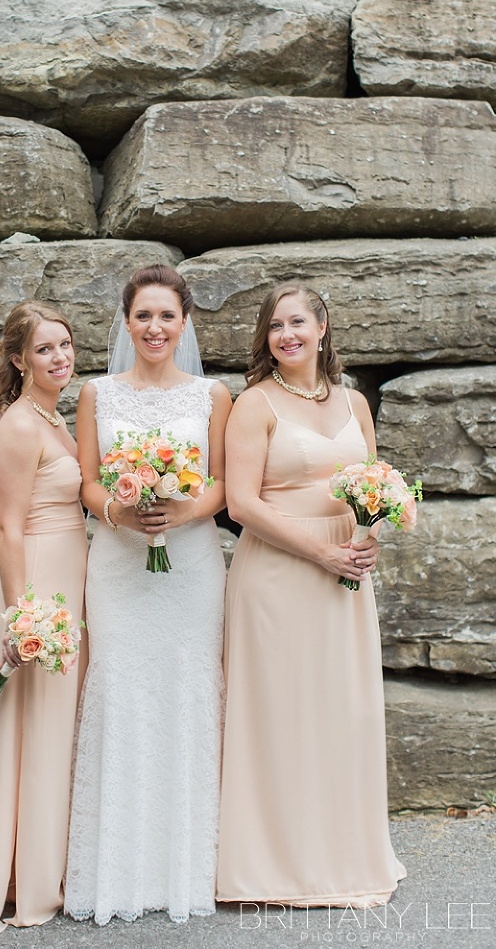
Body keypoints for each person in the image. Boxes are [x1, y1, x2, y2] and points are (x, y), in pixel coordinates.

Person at [217, 283, 405, 907]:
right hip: (277, 574)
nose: (286, 334)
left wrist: (370, 536)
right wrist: (319, 549)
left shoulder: (355, 402)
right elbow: (241, 503)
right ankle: (276, 863)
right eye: (275, 326)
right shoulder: (255, 404)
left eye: (297, 321)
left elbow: (374, 485)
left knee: (341, 712)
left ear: (323, 328)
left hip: (347, 573)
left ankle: (343, 852)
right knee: (281, 713)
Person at [64, 264, 232, 926]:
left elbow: (220, 486)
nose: (155, 327)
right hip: (118, 565)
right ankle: (115, 869)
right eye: (143, 316)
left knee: (188, 693)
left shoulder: (213, 395)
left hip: (190, 566)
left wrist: (180, 514)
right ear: (126, 323)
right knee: (122, 690)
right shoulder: (96, 394)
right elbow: (85, 483)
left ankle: (188, 866)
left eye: (167, 315)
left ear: (184, 322)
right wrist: (122, 511)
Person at [0, 301, 87, 936]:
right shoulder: (19, 425)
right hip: (36, 581)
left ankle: (50, 867)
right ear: (18, 360)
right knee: (34, 734)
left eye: (65, 345)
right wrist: (21, 618)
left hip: (67, 577)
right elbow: (8, 527)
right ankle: (27, 883)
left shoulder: (53, 417)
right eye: (45, 349)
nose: (60, 357)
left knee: (54, 732)